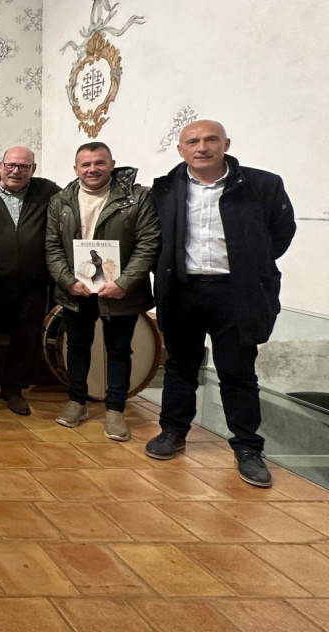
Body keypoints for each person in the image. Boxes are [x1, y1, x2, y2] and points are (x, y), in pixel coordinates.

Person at [147, 120, 295, 487]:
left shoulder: (262, 185)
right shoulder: (164, 188)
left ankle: (247, 447)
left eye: (210, 139)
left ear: (226, 144)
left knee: (237, 371)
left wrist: (251, 266)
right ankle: (173, 431)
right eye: (192, 141)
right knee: (180, 365)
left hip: (236, 292)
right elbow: (154, 240)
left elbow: (281, 233)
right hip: (183, 289)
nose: (202, 147)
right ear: (180, 150)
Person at [44, 142, 159, 441]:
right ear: (76, 168)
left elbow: (148, 243)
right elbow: (52, 246)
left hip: (120, 292)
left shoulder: (136, 198)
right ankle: (76, 402)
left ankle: (115, 410)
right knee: (77, 347)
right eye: (85, 164)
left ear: (111, 164)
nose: (92, 169)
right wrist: (68, 281)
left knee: (119, 351)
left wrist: (124, 283)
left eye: (99, 163)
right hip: (77, 289)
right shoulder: (61, 200)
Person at [0, 147, 60, 416]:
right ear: (0, 165)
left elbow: (80, 194)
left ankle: (13, 388)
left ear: (33, 169)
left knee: (26, 338)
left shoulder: (48, 192)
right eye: (11, 165)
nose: (16, 171)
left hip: (33, 282)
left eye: (23, 166)